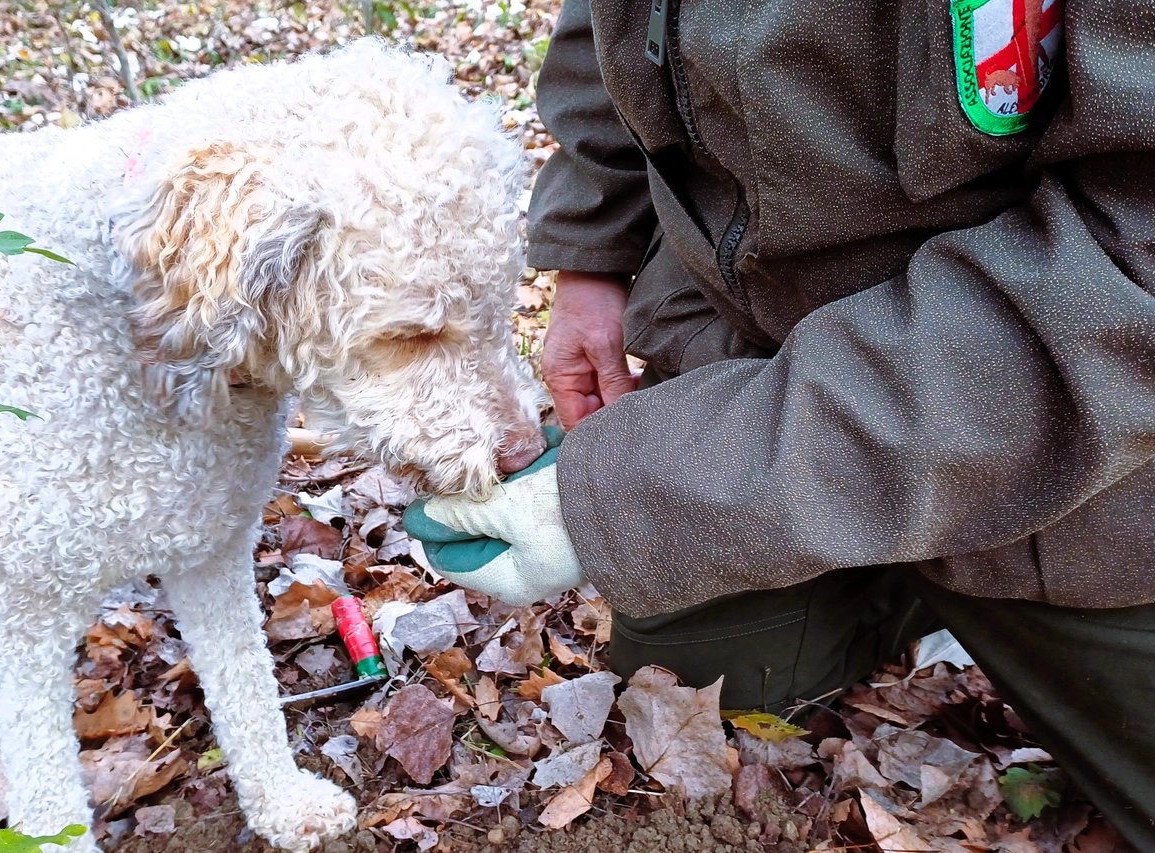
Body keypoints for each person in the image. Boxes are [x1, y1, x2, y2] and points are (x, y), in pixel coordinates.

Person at [410, 0, 1155, 846]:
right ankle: (885, 568)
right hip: (755, 349)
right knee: (699, 674)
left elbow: (1135, 274)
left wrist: (647, 492)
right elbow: (608, 21)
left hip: (1094, 473)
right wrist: (592, 249)